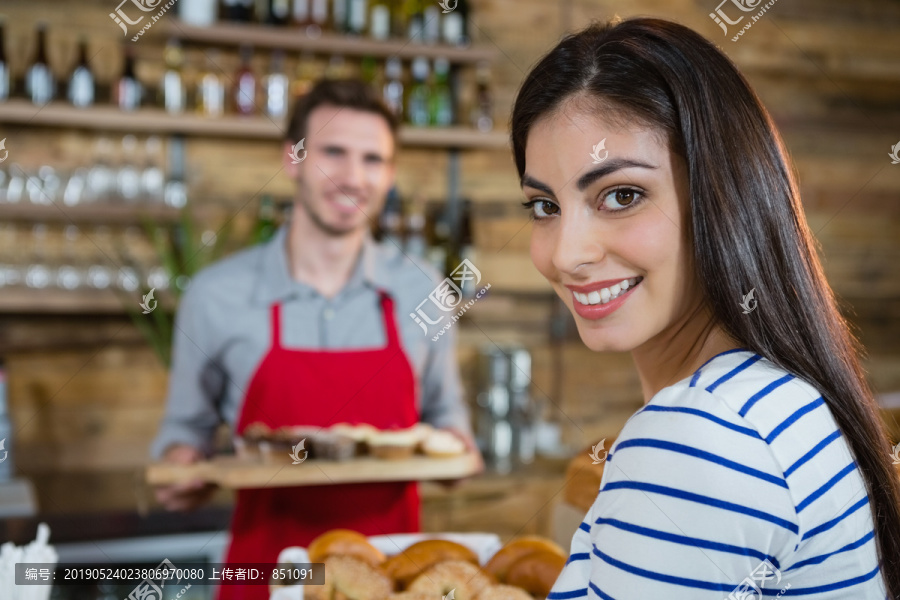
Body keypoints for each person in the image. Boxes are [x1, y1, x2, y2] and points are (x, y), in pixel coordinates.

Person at [511, 18, 900, 599]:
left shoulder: (699, 437)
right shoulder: (775, 398)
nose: (567, 255)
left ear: (723, 196)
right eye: (544, 205)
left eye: (621, 195)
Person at [151, 79, 477, 598]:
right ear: (294, 158)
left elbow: (447, 420)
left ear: (390, 173)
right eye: (333, 152)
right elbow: (182, 435)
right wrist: (181, 466)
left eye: (373, 159)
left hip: (388, 579)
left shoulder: (426, 292)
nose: (352, 176)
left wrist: (459, 451)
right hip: (265, 575)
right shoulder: (217, 295)